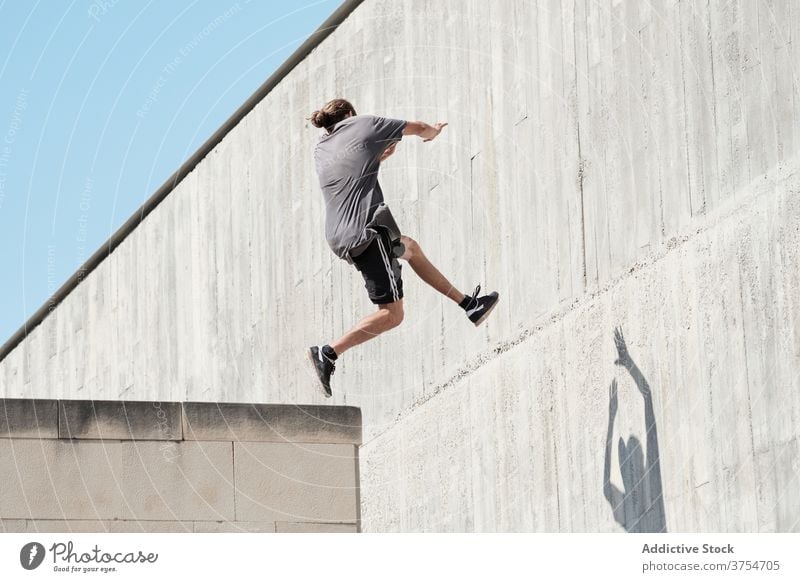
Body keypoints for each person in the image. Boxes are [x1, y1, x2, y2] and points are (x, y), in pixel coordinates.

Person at [306, 98, 499, 397]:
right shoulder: (364, 124)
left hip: (340, 234)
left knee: (409, 249)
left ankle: (470, 306)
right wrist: (432, 132)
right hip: (365, 232)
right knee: (392, 314)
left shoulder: (322, 147)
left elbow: (348, 172)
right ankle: (329, 352)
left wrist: (377, 158)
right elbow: (419, 128)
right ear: (350, 114)